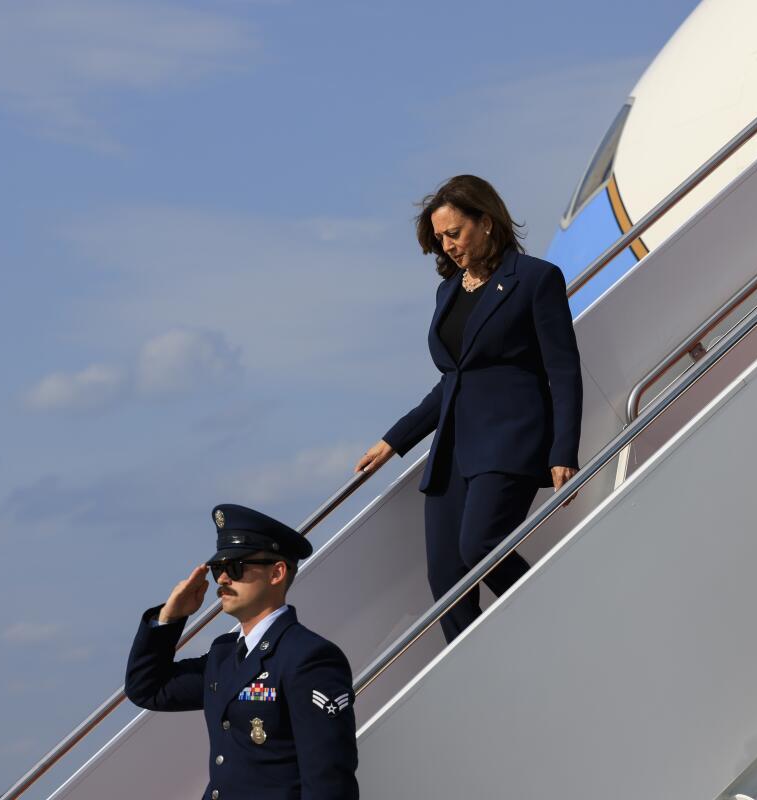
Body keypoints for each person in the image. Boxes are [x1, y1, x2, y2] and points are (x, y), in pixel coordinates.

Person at [354, 174, 582, 643]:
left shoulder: (536, 279)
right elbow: (452, 381)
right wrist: (395, 440)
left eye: (453, 233)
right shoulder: (449, 291)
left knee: (481, 545)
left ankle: (557, 619)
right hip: (452, 451)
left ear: (487, 222)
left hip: (509, 442)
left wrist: (565, 450)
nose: (447, 246)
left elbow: (564, 372)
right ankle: (479, 670)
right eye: (439, 239)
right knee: (446, 581)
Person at [125, 504, 360, 800]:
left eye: (235, 568)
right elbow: (147, 688)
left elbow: (329, 783)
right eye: (219, 569)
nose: (222, 579)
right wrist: (170, 619)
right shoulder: (224, 654)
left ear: (276, 573)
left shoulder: (309, 657)